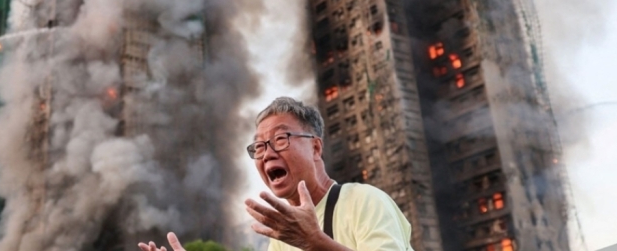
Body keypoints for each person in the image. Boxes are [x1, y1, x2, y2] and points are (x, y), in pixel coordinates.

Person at [138, 97, 414, 251]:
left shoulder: (364, 201)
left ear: (316, 147)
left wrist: (314, 242)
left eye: (281, 139)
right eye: (259, 146)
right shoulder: (282, 238)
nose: (267, 152)